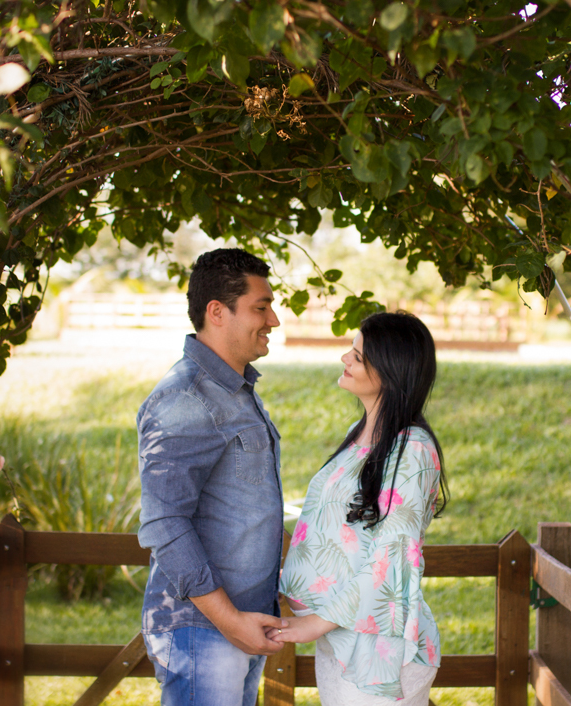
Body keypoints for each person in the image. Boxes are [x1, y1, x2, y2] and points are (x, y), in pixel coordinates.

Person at [136, 248, 288, 706]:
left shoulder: (236, 391)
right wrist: (229, 621)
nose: (273, 320)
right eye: (260, 308)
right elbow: (164, 523)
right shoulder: (186, 397)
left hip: (239, 626)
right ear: (217, 312)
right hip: (206, 631)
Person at [272, 311, 449, 705]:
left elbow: (392, 555)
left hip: (377, 649)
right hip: (341, 639)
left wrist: (313, 624)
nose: (344, 359)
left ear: (390, 369)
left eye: (357, 355)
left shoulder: (413, 450)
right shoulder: (361, 437)